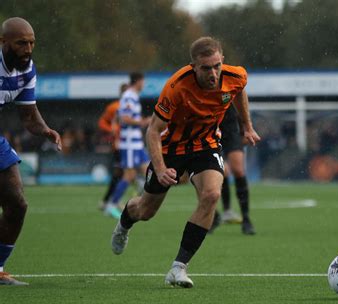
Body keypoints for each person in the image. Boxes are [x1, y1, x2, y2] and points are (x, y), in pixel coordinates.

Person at [110, 37, 260, 288]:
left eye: (216, 66)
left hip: (207, 144)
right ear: (193, 66)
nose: (213, 73)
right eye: (205, 68)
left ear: (222, 60)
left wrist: (247, 126)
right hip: (171, 149)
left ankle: (178, 268)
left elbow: (239, 91)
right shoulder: (176, 86)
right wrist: (159, 168)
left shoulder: (236, 76)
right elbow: (153, 131)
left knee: (212, 194)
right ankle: (125, 222)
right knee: (146, 211)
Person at [0, 17, 62, 285]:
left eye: (32, 43)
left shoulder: (27, 70)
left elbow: (28, 115)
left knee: (17, 204)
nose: (28, 49)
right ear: (3, 42)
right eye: (21, 43)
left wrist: (46, 130)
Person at [105, 73, 150, 218]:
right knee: (129, 175)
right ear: (138, 81)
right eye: (143, 81)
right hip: (130, 142)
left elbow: (120, 116)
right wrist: (142, 122)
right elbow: (124, 118)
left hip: (136, 141)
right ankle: (112, 204)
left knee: (148, 172)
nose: (144, 84)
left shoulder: (133, 96)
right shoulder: (129, 96)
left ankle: (141, 201)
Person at [211, 104, 256, 235]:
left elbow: (241, 105)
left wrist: (246, 130)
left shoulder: (230, 86)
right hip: (210, 132)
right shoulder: (204, 86)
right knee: (222, 171)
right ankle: (222, 213)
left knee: (238, 170)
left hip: (231, 131)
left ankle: (246, 219)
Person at [98, 83, 128, 214]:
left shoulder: (130, 106)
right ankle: (109, 202)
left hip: (128, 145)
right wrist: (112, 130)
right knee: (121, 173)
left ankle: (111, 200)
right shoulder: (114, 107)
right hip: (119, 145)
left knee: (122, 174)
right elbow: (102, 122)